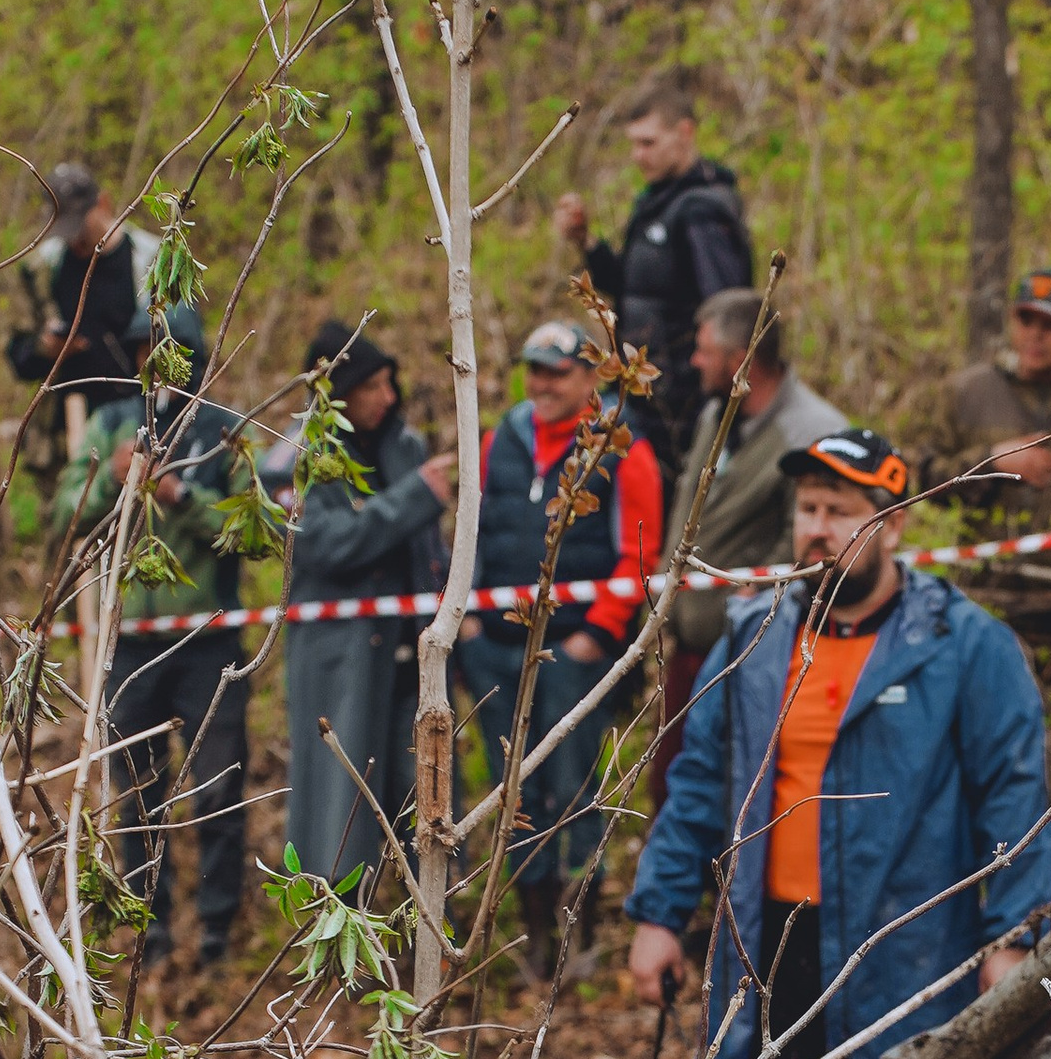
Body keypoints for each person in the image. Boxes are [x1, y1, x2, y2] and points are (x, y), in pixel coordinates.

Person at [626, 426, 1051, 1059]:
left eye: (841, 512)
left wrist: (1013, 940)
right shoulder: (755, 637)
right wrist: (659, 914)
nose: (819, 529)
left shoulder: (963, 645)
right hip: (762, 950)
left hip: (902, 956)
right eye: (808, 509)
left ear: (892, 525)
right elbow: (700, 783)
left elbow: (1015, 800)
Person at [51, 302, 254, 971]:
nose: (159, 364)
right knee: (137, 792)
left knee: (218, 786)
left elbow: (254, 533)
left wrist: (179, 499)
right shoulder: (110, 425)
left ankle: (218, 931)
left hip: (207, 640)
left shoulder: (225, 431)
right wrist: (110, 484)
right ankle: (151, 929)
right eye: (147, 350)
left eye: (172, 353)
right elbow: (63, 513)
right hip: (131, 644)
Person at [466, 315, 666, 973]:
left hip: (575, 653)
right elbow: (471, 530)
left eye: (557, 372)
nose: (542, 384)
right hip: (496, 649)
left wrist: (596, 635)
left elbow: (640, 552)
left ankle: (580, 928)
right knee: (513, 793)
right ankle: (532, 934)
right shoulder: (500, 439)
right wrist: (467, 621)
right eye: (534, 371)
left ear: (590, 377)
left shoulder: (620, 446)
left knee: (575, 791)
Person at [925, 264, 1051, 793]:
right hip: (984, 610)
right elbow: (915, 481)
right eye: (1026, 320)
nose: (1036, 335)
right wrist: (989, 461)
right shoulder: (969, 393)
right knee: (972, 757)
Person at [654, 289, 850, 788]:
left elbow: (814, 540)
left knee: (743, 791)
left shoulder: (814, 432)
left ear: (739, 359)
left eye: (704, 351)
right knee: (676, 784)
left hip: (761, 656)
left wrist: (760, 592)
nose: (694, 362)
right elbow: (688, 509)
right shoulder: (715, 416)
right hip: (690, 645)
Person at [278, 320, 444, 887]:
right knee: (339, 799)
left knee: (422, 791)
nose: (387, 398)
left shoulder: (405, 446)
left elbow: (428, 552)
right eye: (372, 386)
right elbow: (323, 542)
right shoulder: (303, 456)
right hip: (338, 655)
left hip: (411, 653)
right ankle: (335, 909)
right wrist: (416, 497)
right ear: (340, 394)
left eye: (389, 383)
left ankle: (430, 910)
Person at [550, 75, 754, 484]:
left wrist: (713, 401)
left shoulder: (702, 211)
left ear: (684, 133)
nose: (637, 156)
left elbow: (729, 314)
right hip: (642, 398)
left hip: (684, 411)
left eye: (648, 143)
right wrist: (587, 242)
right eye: (633, 144)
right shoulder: (655, 202)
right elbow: (637, 290)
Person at [5, 164, 148, 419]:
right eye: (63, 230)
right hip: (68, 421)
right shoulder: (41, 269)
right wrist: (45, 349)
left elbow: (186, 346)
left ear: (103, 204)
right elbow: (18, 357)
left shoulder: (150, 260)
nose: (73, 239)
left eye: (78, 226)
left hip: (140, 421)